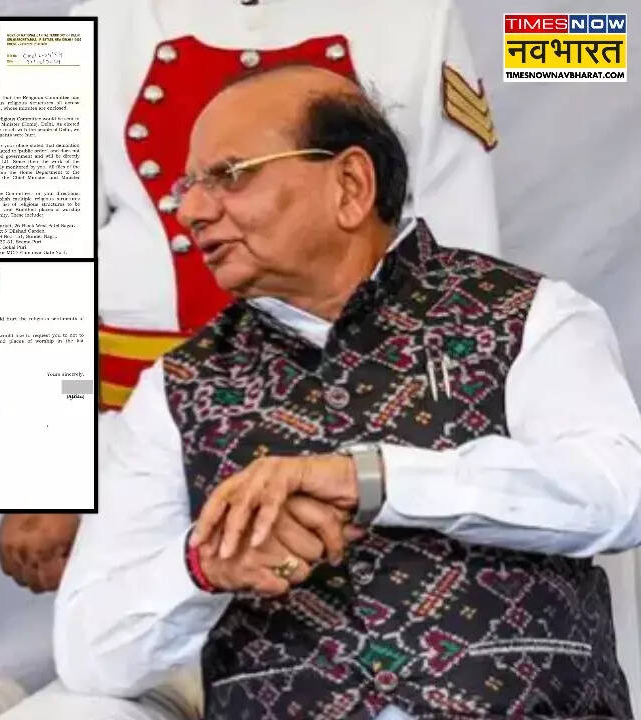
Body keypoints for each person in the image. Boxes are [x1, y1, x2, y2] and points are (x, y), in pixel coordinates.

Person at [53, 65, 641, 718]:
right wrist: (204, 568)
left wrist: (376, 479)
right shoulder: (178, 389)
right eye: (188, 186)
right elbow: (87, 653)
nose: (190, 211)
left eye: (229, 174)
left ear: (351, 185)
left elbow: (619, 491)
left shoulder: (525, 314)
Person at [0, 0, 504, 594]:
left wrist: (420, 470)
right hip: (134, 454)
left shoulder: (413, 18)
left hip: (354, 449)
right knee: (130, 639)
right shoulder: (99, 23)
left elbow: (457, 263)